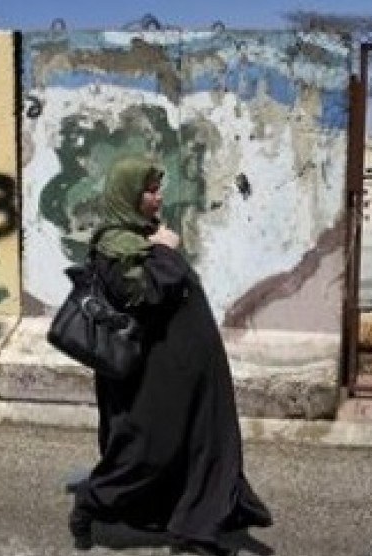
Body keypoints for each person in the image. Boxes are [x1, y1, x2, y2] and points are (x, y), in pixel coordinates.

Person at [68, 156, 273, 556]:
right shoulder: (116, 245)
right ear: (128, 196)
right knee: (148, 450)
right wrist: (165, 253)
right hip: (157, 373)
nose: (158, 197)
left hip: (190, 366)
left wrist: (160, 247)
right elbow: (141, 295)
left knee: (203, 442)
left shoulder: (143, 236)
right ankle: (92, 503)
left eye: (157, 188)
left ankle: (198, 528)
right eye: (149, 190)